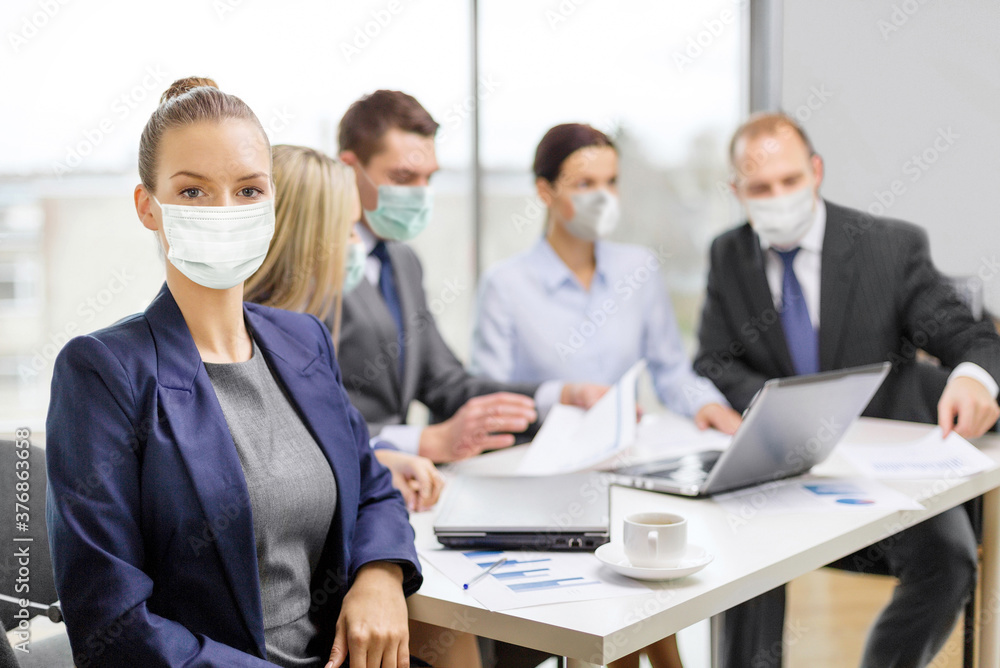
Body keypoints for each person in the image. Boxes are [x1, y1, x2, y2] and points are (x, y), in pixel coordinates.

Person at [45, 78, 423, 668]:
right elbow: (112, 623)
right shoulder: (103, 371)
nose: (225, 212)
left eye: (249, 190)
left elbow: (373, 488)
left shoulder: (302, 339)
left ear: (272, 202)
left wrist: (380, 573)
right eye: (193, 192)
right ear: (148, 207)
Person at [694, 111, 1000, 668]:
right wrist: (775, 407)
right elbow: (716, 359)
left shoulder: (890, 246)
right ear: (737, 191)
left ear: (816, 170)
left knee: (950, 559)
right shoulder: (728, 255)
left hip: (885, 471)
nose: (777, 196)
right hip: (780, 463)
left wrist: (973, 377)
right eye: (760, 187)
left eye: (790, 179)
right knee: (746, 559)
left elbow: (969, 334)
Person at [334, 91, 609, 467]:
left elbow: (447, 383)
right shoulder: (310, 266)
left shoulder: (403, 262)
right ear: (348, 169)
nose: (419, 193)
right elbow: (302, 426)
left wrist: (559, 395)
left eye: (427, 178)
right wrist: (425, 441)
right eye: (402, 177)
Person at [471, 123, 741, 435]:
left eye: (610, 182)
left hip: (624, 452)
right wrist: (563, 396)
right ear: (546, 191)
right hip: (538, 454)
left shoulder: (639, 270)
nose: (603, 198)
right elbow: (489, 398)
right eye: (585, 184)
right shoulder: (505, 285)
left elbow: (671, 370)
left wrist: (706, 404)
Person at [245, 144, 444, 513]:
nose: (358, 245)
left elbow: (338, 443)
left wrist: (379, 461)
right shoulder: (246, 350)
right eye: (348, 230)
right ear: (304, 241)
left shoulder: (308, 337)